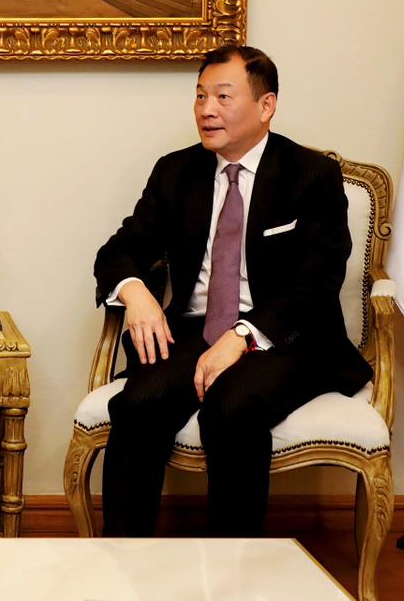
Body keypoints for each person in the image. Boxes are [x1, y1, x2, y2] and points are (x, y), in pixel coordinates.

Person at [93, 45, 372, 538]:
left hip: (286, 338)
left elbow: (317, 281)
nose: (206, 109)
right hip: (195, 330)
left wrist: (244, 335)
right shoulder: (176, 172)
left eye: (223, 96)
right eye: (200, 96)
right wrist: (135, 292)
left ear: (266, 106)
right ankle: (121, 562)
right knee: (139, 404)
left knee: (233, 407)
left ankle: (233, 568)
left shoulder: (311, 176)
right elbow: (119, 250)